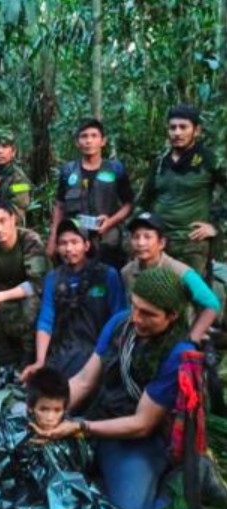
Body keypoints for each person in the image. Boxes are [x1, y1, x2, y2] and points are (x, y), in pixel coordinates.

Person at [33, 266, 196, 509]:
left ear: (172, 316)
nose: (136, 318)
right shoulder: (120, 323)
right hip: (101, 417)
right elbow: (85, 381)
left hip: (137, 439)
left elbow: (142, 425)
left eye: (148, 314)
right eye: (135, 307)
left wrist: (79, 427)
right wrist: (50, 410)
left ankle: (175, 482)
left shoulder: (177, 354)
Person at [0, 368, 140, 509]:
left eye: (57, 410)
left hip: (74, 498)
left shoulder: (71, 432)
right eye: (44, 409)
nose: (50, 417)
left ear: (65, 409)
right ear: (30, 407)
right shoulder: (13, 433)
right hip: (38, 503)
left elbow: (83, 467)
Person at [22, 220, 126, 381]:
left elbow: (119, 317)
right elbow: (46, 320)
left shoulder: (107, 275)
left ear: (86, 245)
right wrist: (40, 361)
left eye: (74, 242)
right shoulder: (53, 278)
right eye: (63, 243)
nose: (69, 249)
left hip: (98, 351)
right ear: (57, 247)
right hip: (63, 351)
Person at [137, 104, 226, 276]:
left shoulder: (210, 159)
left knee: (190, 296)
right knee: (156, 295)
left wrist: (216, 226)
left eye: (183, 127)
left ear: (196, 130)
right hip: (159, 243)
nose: (177, 132)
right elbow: (144, 201)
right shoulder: (160, 163)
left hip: (192, 244)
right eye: (172, 128)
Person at [121, 212, 221, 346]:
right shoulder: (127, 272)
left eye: (147, 237)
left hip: (175, 338)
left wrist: (192, 339)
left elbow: (212, 304)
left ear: (161, 243)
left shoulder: (180, 271)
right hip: (141, 335)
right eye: (136, 237)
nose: (140, 243)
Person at [48, 119, 134, 270]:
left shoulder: (115, 169)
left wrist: (111, 221)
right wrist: (54, 237)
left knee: (108, 281)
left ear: (103, 141)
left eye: (94, 136)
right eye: (84, 136)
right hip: (75, 243)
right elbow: (60, 205)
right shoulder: (68, 171)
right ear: (77, 142)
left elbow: (128, 204)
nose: (89, 141)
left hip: (107, 241)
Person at [0, 199, 47, 370]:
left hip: (28, 293)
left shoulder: (29, 240)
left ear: (13, 219)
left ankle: (28, 355)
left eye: (2, 221)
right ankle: (2, 353)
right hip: (2, 290)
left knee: (32, 302)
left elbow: (36, 284)